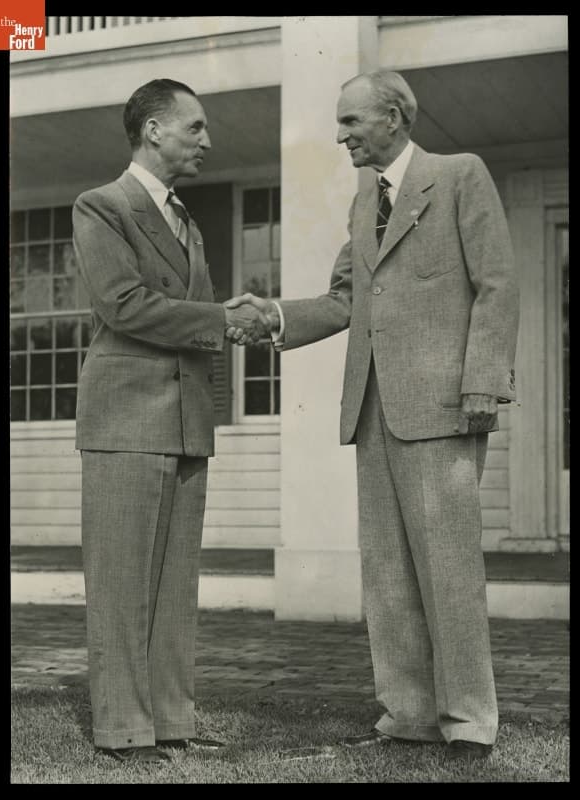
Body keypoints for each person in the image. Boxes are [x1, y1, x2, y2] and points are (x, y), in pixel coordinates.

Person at [225, 69, 520, 761]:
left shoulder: (458, 174)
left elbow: (496, 283)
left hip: (444, 407)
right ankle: (408, 718)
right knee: (387, 573)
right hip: (373, 407)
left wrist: (482, 382)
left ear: (393, 116)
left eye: (352, 122)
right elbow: (341, 300)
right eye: (338, 123)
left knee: (447, 569)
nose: (340, 135)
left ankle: (469, 722)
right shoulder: (365, 199)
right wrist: (270, 318)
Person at [72, 78, 266, 764]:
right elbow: (124, 305)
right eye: (195, 128)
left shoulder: (184, 217)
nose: (206, 141)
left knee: (174, 587)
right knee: (123, 584)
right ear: (153, 130)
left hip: (185, 419)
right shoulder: (104, 206)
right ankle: (123, 730)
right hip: (125, 418)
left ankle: (172, 722)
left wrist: (229, 320)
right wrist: (221, 318)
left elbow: (190, 318)